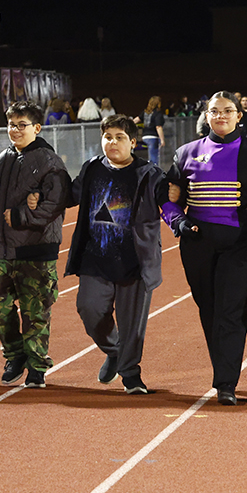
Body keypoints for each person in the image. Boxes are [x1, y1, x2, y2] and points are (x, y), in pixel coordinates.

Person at [162, 91, 247, 405]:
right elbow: (169, 198)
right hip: (197, 243)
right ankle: (225, 368)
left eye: (227, 111)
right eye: (214, 111)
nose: (221, 116)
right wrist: (178, 222)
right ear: (206, 116)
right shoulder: (185, 152)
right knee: (209, 309)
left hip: (242, 244)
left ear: (239, 115)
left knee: (231, 310)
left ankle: (226, 383)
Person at [64, 114, 168, 395]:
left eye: (119, 137)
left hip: (134, 261)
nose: (112, 142)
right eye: (108, 137)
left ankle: (131, 374)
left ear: (133, 142)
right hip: (95, 258)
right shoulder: (91, 169)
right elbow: (68, 195)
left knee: (132, 323)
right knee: (90, 310)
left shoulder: (149, 174)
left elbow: (167, 201)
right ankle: (115, 351)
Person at [0, 101, 70, 388]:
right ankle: (15, 354)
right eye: (11, 124)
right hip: (2, 248)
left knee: (36, 313)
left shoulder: (49, 161)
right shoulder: (5, 157)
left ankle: (37, 368)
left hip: (36, 250)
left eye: (22, 125)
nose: (15, 130)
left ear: (36, 127)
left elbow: (57, 203)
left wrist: (22, 215)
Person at [134, 95, 166, 165]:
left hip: (144, 136)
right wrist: (162, 139)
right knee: (154, 159)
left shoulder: (145, 113)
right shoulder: (158, 114)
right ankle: (153, 173)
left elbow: (136, 120)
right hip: (153, 137)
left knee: (147, 156)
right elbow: (158, 127)